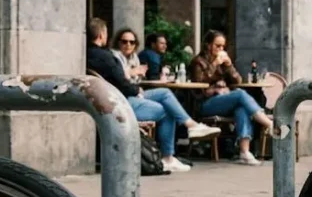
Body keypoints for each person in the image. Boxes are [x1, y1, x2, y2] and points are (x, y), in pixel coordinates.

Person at [85, 19, 219, 172]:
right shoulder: (105, 56)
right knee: (166, 108)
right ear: (102, 35)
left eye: (132, 42)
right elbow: (121, 81)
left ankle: (190, 126)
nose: (128, 45)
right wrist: (136, 90)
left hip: (118, 97)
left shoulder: (87, 54)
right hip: (121, 101)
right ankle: (169, 155)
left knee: (165, 93)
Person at [190, 30, 275, 166]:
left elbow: (238, 80)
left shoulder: (223, 63)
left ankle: (244, 152)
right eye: (217, 46)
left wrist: (229, 65)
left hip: (223, 101)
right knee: (240, 94)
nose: (221, 49)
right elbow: (200, 82)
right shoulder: (198, 62)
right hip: (204, 103)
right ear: (208, 45)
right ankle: (269, 124)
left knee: (241, 107)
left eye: (223, 46)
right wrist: (215, 64)